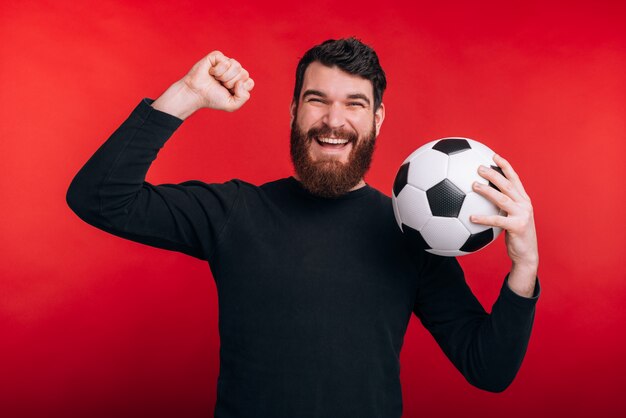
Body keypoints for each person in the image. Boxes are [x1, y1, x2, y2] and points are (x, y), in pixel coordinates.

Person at [67, 38, 539, 418]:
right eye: (318, 101)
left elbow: (488, 369)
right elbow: (98, 198)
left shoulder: (412, 233)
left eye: (355, 104)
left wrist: (525, 264)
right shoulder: (235, 211)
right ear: (294, 111)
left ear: (376, 120)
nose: (334, 121)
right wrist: (186, 95)